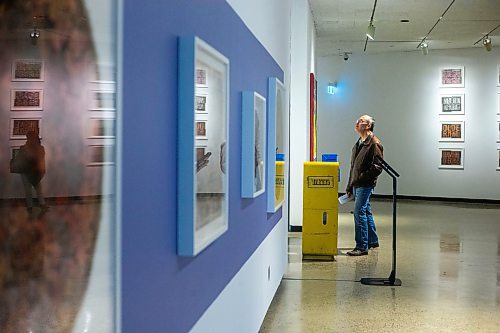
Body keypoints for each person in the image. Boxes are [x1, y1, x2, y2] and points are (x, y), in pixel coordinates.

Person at [345, 115, 383, 256]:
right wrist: (350, 184)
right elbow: (354, 166)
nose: (357, 122)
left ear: (368, 126)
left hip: (364, 184)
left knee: (359, 212)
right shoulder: (360, 142)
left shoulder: (374, 143)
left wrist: (361, 178)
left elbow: (377, 167)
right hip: (357, 183)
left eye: (361, 121)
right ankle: (372, 240)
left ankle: (361, 246)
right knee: (365, 210)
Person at [20, 131, 48, 215]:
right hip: (30, 171)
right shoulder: (37, 148)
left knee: (33, 190)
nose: (28, 139)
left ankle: (32, 207)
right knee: (34, 190)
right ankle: (36, 206)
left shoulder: (26, 148)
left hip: (31, 172)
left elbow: (36, 159)